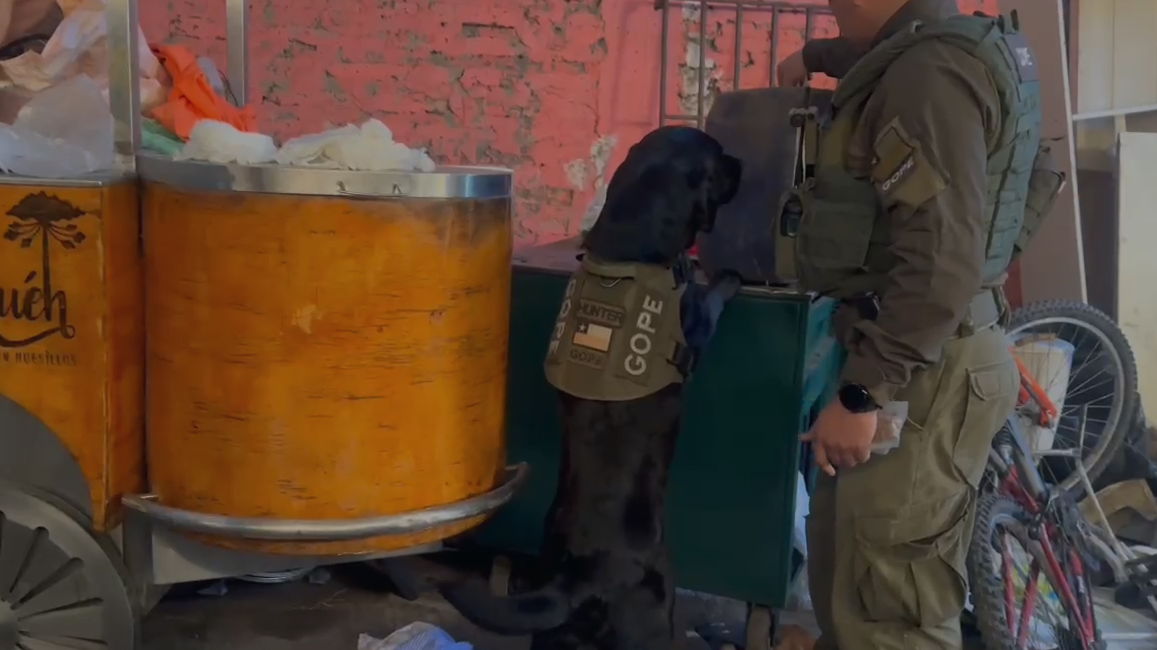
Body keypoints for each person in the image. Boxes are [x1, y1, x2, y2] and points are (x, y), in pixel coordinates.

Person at [774, 1, 1064, 649]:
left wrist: (861, 394)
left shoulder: (927, 77)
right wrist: (813, 58)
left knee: (889, 612)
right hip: (924, 351)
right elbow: (875, 56)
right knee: (852, 576)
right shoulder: (946, 46)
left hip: (917, 368)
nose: (831, 6)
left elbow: (938, 264)